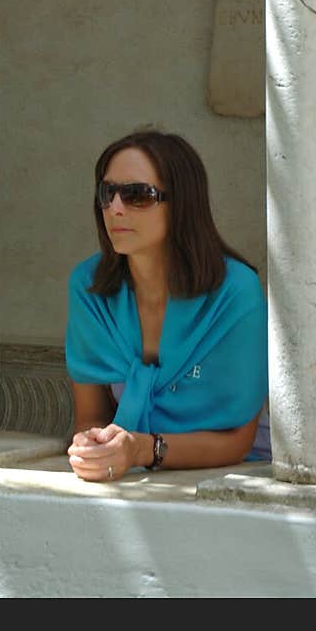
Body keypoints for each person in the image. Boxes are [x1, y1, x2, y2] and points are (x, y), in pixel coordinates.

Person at [65, 128, 269, 482]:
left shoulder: (235, 293)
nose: (114, 208)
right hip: (132, 473)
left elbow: (237, 440)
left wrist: (142, 449)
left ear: (182, 204)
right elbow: (91, 415)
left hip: (239, 475)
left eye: (137, 195)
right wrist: (92, 443)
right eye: (107, 192)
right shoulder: (89, 287)